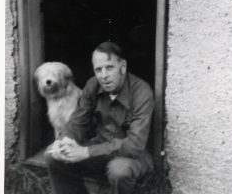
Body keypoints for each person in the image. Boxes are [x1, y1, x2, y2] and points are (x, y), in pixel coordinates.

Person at [45, 41, 155, 194]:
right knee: (54, 155)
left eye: (109, 67)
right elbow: (78, 121)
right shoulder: (93, 85)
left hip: (134, 156)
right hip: (101, 148)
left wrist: (86, 152)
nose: (103, 75)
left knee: (119, 170)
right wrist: (66, 139)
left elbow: (134, 145)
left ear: (122, 67)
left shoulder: (141, 92)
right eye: (98, 69)